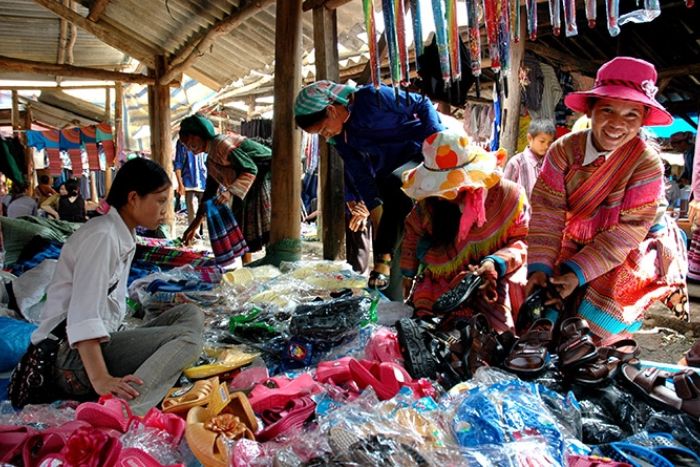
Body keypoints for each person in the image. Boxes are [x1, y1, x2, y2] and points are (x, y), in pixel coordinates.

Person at [526, 56, 689, 345]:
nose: (617, 124)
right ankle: (540, 337)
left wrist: (578, 273)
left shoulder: (646, 163)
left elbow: (628, 232)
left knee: (606, 293)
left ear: (643, 119)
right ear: (590, 110)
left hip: (630, 242)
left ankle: (594, 348)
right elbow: (548, 212)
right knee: (547, 286)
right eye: (608, 110)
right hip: (575, 232)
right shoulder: (563, 150)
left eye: (631, 115)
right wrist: (539, 267)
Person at [30, 157, 204, 415]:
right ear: (133, 198)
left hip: (91, 346)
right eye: (159, 201)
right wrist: (102, 380)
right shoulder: (103, 237)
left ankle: (142, 385)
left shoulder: (120, 232)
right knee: (188, 340)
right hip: (67, 359)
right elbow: (82, 316)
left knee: (190, 315)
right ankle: (126, 412)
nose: (165, 211)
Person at [294, 81, 444, 295]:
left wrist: (437, 142)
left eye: (324, 128)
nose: (326, 135)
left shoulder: (372, 97)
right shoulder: (341, 139)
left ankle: (383, 261)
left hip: (421, 153)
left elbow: (422, 104)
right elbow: (362, 177)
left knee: (395, 187)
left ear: (331, 110)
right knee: (390, 199)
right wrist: (374, 209)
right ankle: (385, 270)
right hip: (391, 171)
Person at [400, 130, 529, 332]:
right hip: (444, 274)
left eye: (448, 190)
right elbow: (412, 233)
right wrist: (408, 274)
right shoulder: (430, 205)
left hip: (497, 275)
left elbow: (522, 240)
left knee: (497, 322)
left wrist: (493, 263)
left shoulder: (509, 196)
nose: (441, 197)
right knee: (433, 325)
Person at [179, 114, 271, 264]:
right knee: (241, 229)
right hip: (247, 185)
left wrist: (230, 192)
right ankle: (247, 268)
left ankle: (270, 265)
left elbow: (250, 168)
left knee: (267, 230)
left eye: (189, 141)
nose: (189, 147)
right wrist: (194, 225)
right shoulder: (210, 160)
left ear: (200, 134)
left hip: (262, 177)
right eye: (185, 145)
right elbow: (209, 192)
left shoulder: (221, 144)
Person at [503, 119, 556, 198]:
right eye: (542, 141)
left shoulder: (552, 163)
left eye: (549, 142)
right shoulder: (517, 163)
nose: (546, 146)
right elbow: (504, 193)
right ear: (530, 138)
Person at [174, 140, 208, 225]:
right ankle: (193, 232)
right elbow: (178, 163)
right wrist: (180, 183)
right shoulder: (182, 142)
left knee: (203, 210)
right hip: (188, 180)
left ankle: (199, 231)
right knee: (190, 210)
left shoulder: (206, 139)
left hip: (203, 180)